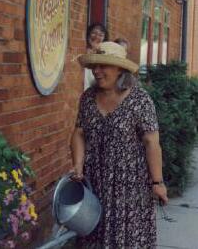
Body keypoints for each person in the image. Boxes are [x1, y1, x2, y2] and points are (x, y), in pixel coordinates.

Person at [71, 41, 168, 249]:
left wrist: (157, 183)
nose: (96, 71)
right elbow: (79, 133)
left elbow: (152, 143)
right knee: (93, 238)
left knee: (128, 240)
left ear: (120, 69)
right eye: (94, 66)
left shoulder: (140, 100)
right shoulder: (88, 98)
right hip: (95, 183)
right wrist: (78, 165)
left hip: (130, 187)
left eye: (103, 66)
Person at [84, 23, 108, 90]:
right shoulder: (80, 50)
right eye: (93, 33)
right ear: (88, 35)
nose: (96, 37)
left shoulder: (107, 56)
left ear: (104, 39)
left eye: (101, 35)